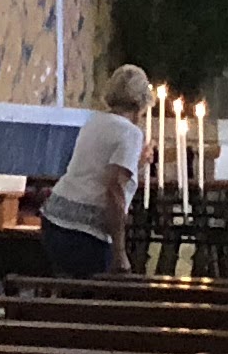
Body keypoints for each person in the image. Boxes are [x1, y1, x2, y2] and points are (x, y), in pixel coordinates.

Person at [41, 65, 151, 276]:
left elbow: (95, 168)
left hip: (54, 219)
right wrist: (120, 253)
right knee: (99, 293)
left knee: (69, 290)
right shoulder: (130, 133)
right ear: (141, 103)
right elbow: (114, 190)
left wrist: (135, 163)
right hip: (85, 233)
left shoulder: (94, 121)